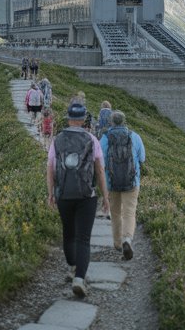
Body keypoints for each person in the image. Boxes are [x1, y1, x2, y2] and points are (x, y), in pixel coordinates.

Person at [47, 101, 109, 297]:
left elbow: (50, 168)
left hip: (64, 194)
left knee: (68, 233)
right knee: (83, 238)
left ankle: (72, 266)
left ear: (68, 118)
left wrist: (51, 193)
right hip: (86, 195)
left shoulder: (57, 139)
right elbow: (99, 170)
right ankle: (80, 279)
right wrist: (105, 197)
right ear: (83, 120)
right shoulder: (92, 139)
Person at [100, 110, 145, 260]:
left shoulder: (105, 138)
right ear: (124, 121)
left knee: (116, 213)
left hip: (111, 182)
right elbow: (142, 158)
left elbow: (100, 162)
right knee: (129, 212)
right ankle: (127, 239)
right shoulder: (134, 136)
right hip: (131, 181)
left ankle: (118, 244)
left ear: (111, 122)